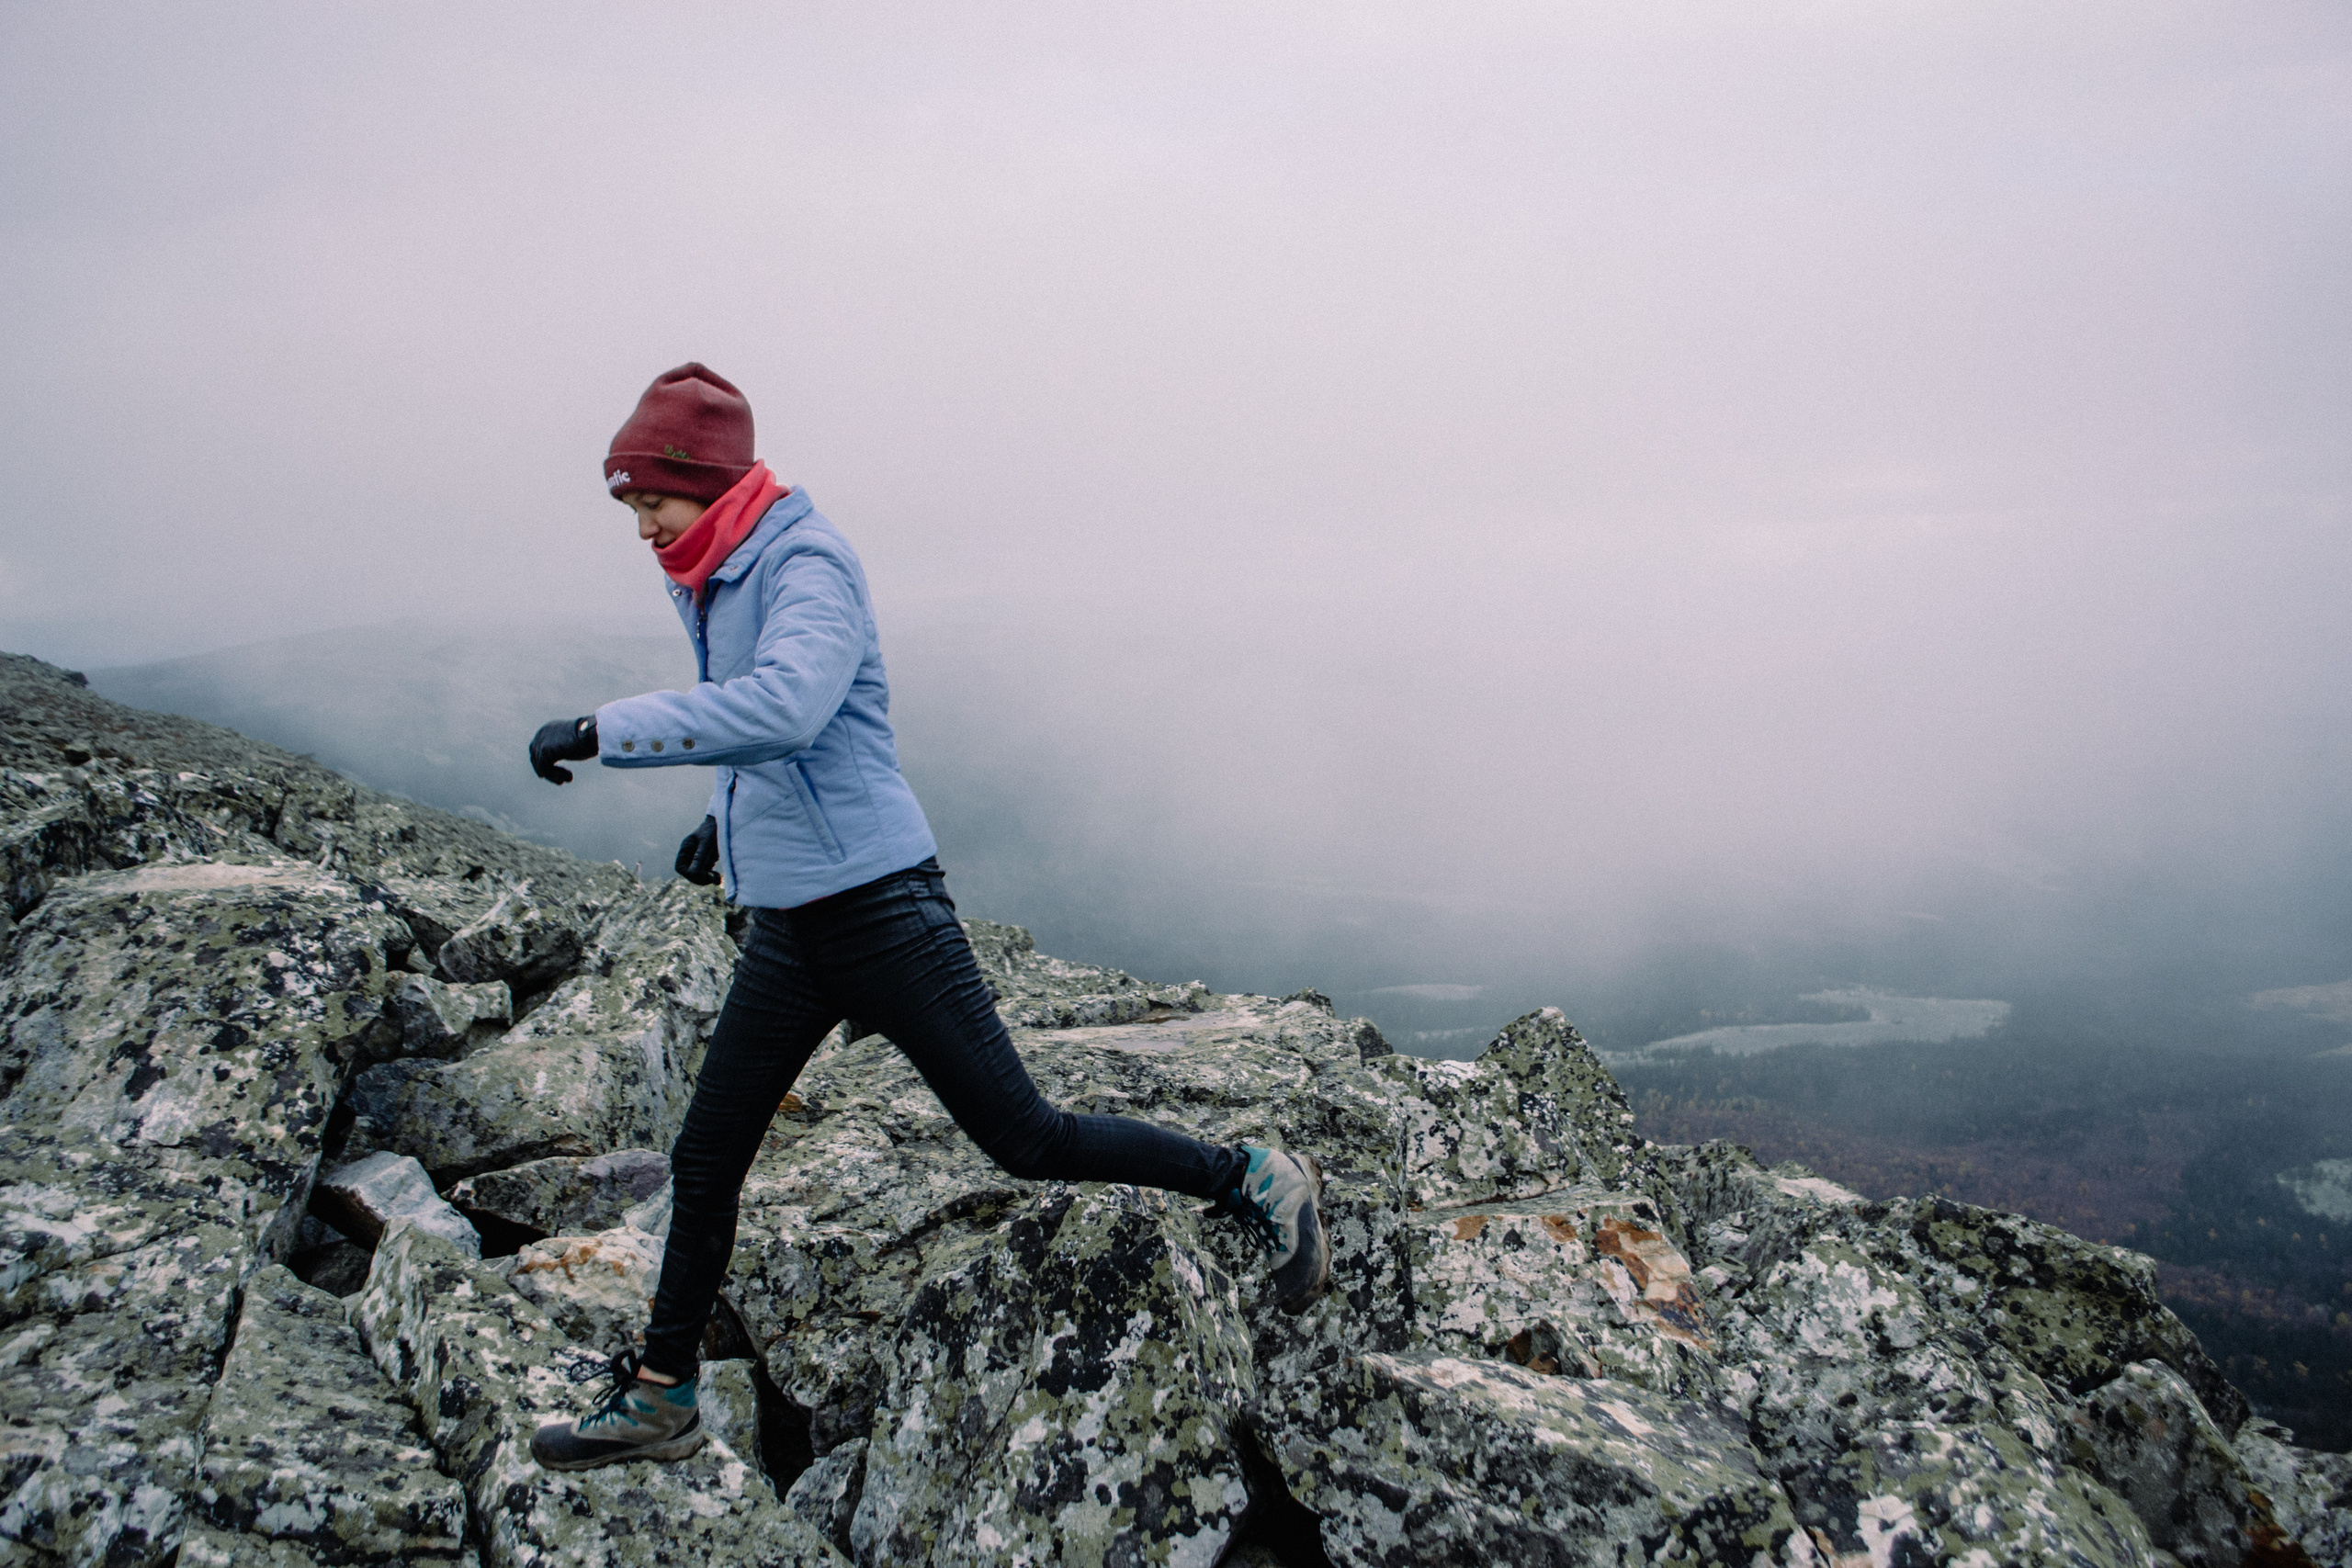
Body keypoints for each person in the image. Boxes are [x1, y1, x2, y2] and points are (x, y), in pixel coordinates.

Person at [523, 364, 1330, 1472]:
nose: (641, 526)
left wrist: (599, 728)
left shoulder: (804, 559)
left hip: (881, 909)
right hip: (792, 926)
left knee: (1026, 1139)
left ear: (706, 482)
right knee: (704, 1160)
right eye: (630, 508)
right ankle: (663, 1396)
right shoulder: (716, 569)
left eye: (650, 501)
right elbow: (789, 741)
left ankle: (1247, 1174)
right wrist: (730, 823)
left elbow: (790, 704)